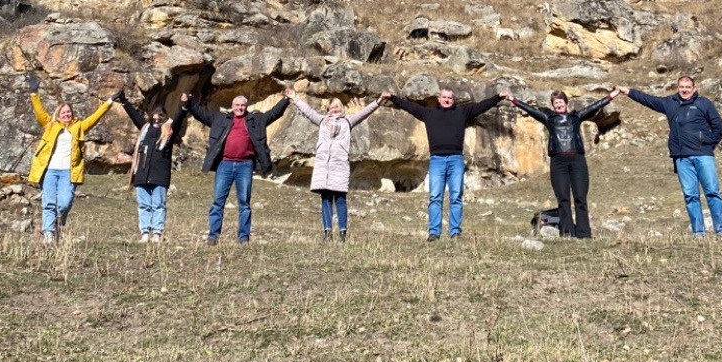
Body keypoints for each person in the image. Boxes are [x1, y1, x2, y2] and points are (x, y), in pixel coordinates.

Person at [611, 76, 722, 237]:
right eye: (682, 87)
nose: (685, 90)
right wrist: (628, 92)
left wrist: (708, 144)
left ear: (694, 88)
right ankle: (699, 233)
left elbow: (718, 126)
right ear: (678, 88)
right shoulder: (670, 103)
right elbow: (649, 100)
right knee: (690, 196)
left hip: (703, 156)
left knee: (712, 193)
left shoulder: (703, 103)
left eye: (688, 87)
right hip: (682, 158)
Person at [386, 86, 503, 240]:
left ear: (453, 100)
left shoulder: (461, 112)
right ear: (439, 99)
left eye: (450, 98)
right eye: (445, 97)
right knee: (435, 196)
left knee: (456, 196)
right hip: (437, 160)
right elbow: (410, 107)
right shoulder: (429, 113)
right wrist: (392, 97)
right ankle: (434, 232)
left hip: (456, 160)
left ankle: (454, 231)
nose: (447, 100)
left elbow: (481, 106)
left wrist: (498, 97)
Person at [503, 87, 620, 239]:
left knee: (580, 197)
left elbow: (595, 106)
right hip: (558, 162)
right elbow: (530, 109)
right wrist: (513, 99)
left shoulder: (576, 116)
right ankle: (567, 232)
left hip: (577, 160)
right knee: (563, 198)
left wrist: (612, 95)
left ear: (566, 102)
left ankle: (584, 234)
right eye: (555, 103)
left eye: (560, 102)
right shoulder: (548, 118)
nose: (558, 105)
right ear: (553, 105)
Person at [180, 88, 289, 244]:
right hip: (224, 165)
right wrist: (189, 100)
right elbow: (200, 113)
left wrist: (285, 99)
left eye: (242, 105)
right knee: (218, 201)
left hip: (245, 165)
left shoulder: (255, 120)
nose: (239, 108)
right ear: (232, 106)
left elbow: (274, 113)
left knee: (244, 203)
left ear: (246, 107)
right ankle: (213, 236)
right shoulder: (220, 118)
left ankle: (243, 238)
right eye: (237, 105)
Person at [26, 73, 119, 240]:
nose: (66, 114)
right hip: (49, 170)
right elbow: (39, 112)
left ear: (72, 114)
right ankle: (48, 234)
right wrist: (34, 92)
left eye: (68, 112)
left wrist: (110, 101)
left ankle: (58, 224)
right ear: (58, 114)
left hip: (68, 171)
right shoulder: (50, 125)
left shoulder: (79, 127)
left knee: (64, 203)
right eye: (63, 112)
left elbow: (96, 116)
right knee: (48, 203)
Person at [287, 90, 388, 241]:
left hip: (339, 165)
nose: (335, 110)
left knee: (340, 199)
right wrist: (295, 98)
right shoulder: (321, 121)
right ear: (327, 109)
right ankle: (327, 233)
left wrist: (379, 101)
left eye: (337, 107)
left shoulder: (348, 121)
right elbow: (307, 111)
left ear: (341, 108)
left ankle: (342, 233)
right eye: (332, 108)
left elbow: (365, 112)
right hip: (323, 166)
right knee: (325, 198)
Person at [118, 93, 187, 243]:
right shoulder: (145, 129)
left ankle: (157, 233)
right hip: (141, 174)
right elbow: (135, 116)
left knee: (158, 204)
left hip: (159, 175)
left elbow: (179, 117)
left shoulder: (168, 132)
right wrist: (124, 101)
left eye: (160, 117)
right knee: (143, 205)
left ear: (165, 118)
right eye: (154, 117)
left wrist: (183, 105)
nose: (156, 120)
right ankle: (145, 232)